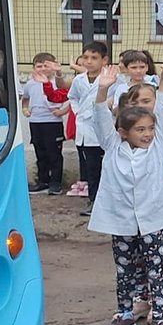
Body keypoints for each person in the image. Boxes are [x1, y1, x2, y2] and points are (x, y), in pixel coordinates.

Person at [88, 64, 163, 325]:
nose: (146, 134)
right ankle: (125, 314)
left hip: (152, 219)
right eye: (139, 130)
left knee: (156, 267)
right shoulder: (112, 145)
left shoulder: (157, 145)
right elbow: (99, 119)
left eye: (149, 129)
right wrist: (103, 88)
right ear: (122, 132)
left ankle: (161, 317)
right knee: (124, 268)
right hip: (121, 220)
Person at [68, 41, 112, 212]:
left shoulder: (110, 78)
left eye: (94, 57)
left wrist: (107, 105)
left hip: (103, 128)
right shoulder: (79, 80)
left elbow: (117, 97)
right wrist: (78, 111)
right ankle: (93, 200)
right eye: (86, 57)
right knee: (91, 169)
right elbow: (72, 97)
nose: (89, 61)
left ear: (104, 60)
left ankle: (108, 201)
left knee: (106, 168)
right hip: (85, 130)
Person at [22, 52, 68, 194]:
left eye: (46, 66)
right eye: (39, 66)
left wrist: (63, 111)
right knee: (40, 152)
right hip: (36, 122)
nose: (42, 69)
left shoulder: (58, 82)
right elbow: (25, 98)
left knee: (54, 154)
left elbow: (73, 99)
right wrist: (25, 109)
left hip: (52, 122)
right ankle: (42, 181)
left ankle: (55, 183)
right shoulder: (30, 84)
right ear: (34, 68)